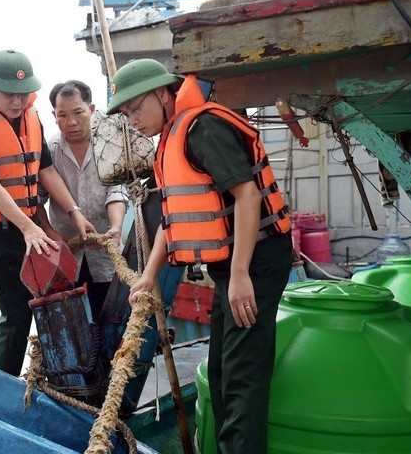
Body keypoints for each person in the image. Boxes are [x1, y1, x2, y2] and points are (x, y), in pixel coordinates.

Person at [106, 59, 293, 454]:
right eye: (126, 114)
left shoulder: (202, 127)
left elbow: (247, 194)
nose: (133, 120)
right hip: (231, 266)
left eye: (135, 108)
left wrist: (241, 274)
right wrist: (149, 274)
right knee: (223, 375)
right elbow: (170, 219)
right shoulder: (173, 134)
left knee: (243, 381)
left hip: (256, 261)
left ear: (162, 92)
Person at [0, 49, 96, 408]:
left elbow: (44, 170)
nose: (17, 99)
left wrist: (73, 212)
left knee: (18, 306)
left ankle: (1, 391)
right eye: (8, 92)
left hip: (15, 224)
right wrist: (30, 228)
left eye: (22, 93)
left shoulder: (32, 119)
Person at [36, 80, 128, 320]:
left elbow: (116, 191)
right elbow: (36, 199)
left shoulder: (109, 144)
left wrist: (116, 227)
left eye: (78, 112)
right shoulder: (50, 150)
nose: (71, 122)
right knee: (72, 323)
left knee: (109, 320)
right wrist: (48, 232)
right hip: (66, 252)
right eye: (62, 115)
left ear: (92, 109)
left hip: (105, 251)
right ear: (53, 115)